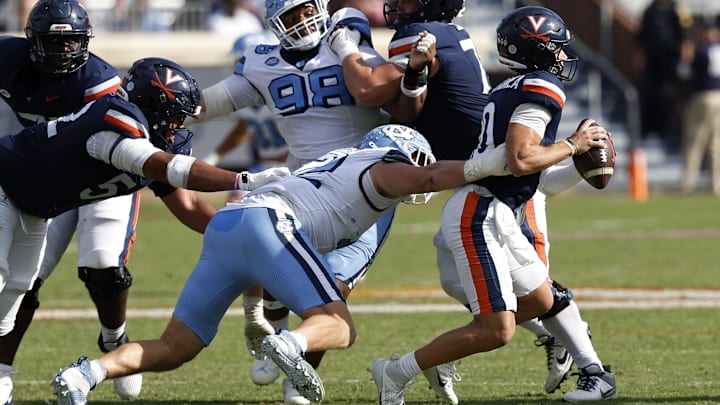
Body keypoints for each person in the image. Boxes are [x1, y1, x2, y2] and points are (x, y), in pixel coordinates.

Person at [49, 123, 510, 405]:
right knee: (338, 326)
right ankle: (287, 344)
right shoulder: (381, 163)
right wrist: (484, 164)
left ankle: (85, 374)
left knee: (177, 346)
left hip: (231, 224)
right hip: (268, 223)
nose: (416, 176)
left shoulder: (338, 160)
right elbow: (429, 175)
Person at [0, 56, 288, 403]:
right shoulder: (112, 120)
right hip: (5, 186)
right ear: (152, 105)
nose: (179, 125)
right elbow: (163, 167)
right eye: (175, 114)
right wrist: (244, 178)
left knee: (15, 291)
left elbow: (187, 204)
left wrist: (240, 238)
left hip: (36, 210)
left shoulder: (153, 134)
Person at [363, 7, 611, 404]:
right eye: (557, 48)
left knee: (543, 299)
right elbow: (521, 160)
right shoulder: (541, 87)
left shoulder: (506, 88)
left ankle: (597, 376)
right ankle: (395, 372)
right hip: (480, 216)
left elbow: (525, 173)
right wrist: (572, 147)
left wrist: (574, 165)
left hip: (493, 208)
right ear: (538, 50)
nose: (563, 56)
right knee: (497, 329)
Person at [190, 1, 430, 402]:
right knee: (276, 277)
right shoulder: (260, 61)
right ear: (275, 25)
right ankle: (276, 331)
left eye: (306, 11)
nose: (302, 22)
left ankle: (295, 382)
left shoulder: (346, 45)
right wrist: (166, 104)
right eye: (291, 17)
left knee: (331, 290)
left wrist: (407, 71)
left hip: (364, 185)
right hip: (302, 185)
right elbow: (209, 105)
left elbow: (395, 98)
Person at [0, 1, 132, 402]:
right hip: (42, 177)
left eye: (72, 42)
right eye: (54, 42)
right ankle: (2, 369)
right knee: (27, 278)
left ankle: (114, 339)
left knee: (102, 264)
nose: (64, 51)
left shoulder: (99, 81)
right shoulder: (7, 57)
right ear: (32, 41)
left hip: (95, 172)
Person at [635, 0, 694, 148]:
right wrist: (639, 59)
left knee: (667, 94)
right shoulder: (650, 9)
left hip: (670, 61)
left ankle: (665, 131)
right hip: (652, 60)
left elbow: (686, 37)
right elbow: (641, 37)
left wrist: (684, 62)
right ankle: (649, 129)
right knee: (648, 93)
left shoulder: (677, 9)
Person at [681, 17, 720, 195]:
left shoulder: (703, 50)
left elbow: (684, 73)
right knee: (715, 143)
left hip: (704, 96)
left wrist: (686, 58)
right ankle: (716, 185)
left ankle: (688, 184)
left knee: (694, 141)